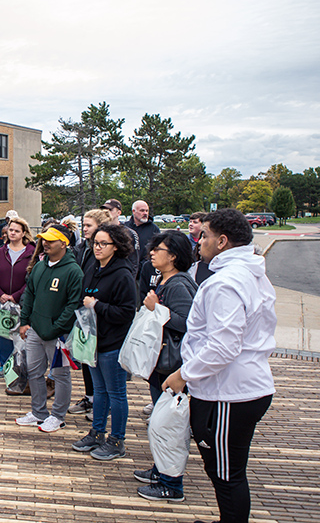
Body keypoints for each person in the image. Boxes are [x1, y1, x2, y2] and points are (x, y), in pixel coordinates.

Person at [163, 208, 276, 523]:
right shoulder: (251, 272)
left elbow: (224, 345)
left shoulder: (225, 282)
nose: (198, 242)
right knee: (226, 471)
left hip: (230, 391)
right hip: (243, 385)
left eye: (205, 236)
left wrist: (183, 374)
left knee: (227, 475)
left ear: (222, 241)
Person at [133, 230, 198, 502]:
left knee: (169, 426)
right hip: (162, 367)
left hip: (172, 369)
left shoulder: (178, 285)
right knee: (160, 424)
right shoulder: (166, 280)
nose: (151, 253)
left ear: (173, 256)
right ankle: (161, 471)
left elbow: (188, 323)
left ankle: (172, 484)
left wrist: (156, 308)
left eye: (157, 249)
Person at [71, 223, 136, 460]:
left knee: (116, 393)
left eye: (103, 244)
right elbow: (82, 297)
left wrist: (97, 305)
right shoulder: (93, 268)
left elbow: (127, 312)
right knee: (99, 391)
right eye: (95, 243)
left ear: (116, 246)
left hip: (113, 345)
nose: (97, 248)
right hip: (92, 343)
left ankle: (117, 440)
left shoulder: (123, 274)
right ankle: (96, 433)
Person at [15, 225, 83, 433]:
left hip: (59, 335)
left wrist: (56, 328)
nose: (45, 243)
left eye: (51, 240)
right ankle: (38, 412)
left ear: (64, 243)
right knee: (34, 372)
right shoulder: (39, 266)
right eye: (44, 240)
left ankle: (58, 416)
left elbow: (73, 305)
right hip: (35, 329)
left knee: (60, 375)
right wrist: (25, 321)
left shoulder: (73, 271)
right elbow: (30, 295)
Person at [68, 208, 111, 418]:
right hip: (83, 309)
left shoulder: (107, 253)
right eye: (83, 225)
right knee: (85, 355)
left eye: (88, 226)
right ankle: (91, 397)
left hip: (99, 309)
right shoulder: (81, 247)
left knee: (100, 361)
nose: (84, 229)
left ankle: (103, 403)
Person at [0, 216, 35, 377]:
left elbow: (33, 278)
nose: (12, 233)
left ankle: (22, 367)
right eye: (10, 230)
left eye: (16, 231)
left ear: (23, 233)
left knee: (24, 335)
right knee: (5, 334)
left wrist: (17, 295)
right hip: (3, 303)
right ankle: (4, 366)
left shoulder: (31, 253)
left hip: (23, 302)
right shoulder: (1, 252)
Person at [101, 199, 140, 278]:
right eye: (104, 210)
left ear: (118, 213)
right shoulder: (100, 232)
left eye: (110, 210)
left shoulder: (129, 233)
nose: (106, 212)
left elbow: (134, 262)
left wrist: (129, 281)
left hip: (122, 277)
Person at [125, 200, 160, 277]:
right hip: (127, 271)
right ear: (134, 211)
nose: (145, 213)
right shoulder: (125, 228)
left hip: (145, 272)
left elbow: (157, 250)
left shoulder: (154, 229)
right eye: (142, 210)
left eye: (147, 211)